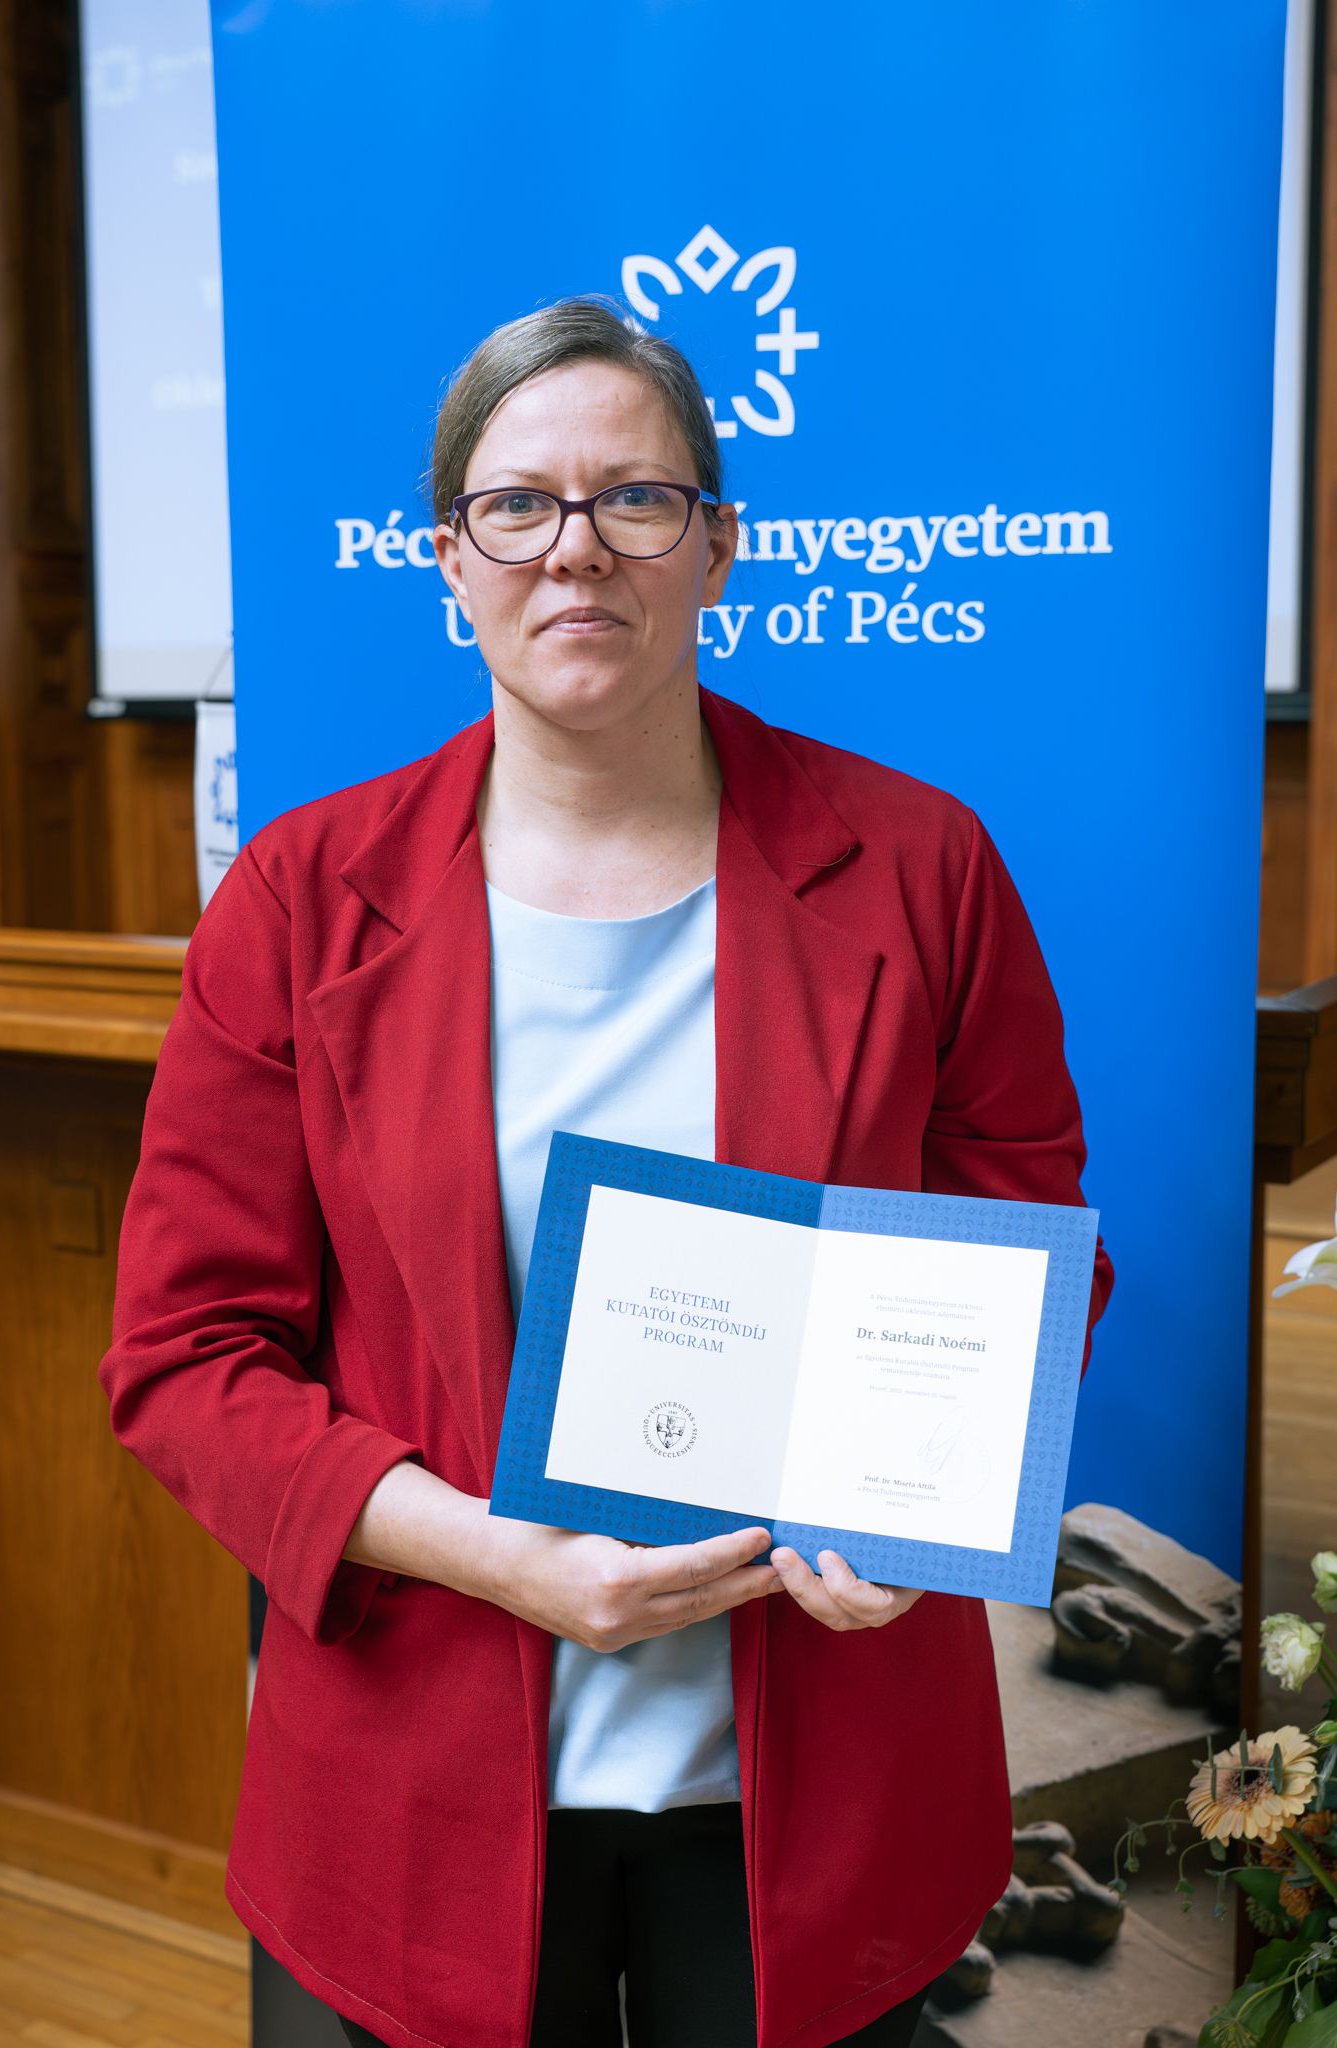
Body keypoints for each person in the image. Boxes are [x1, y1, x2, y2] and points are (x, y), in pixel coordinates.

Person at [99, 293, 1113, 2048]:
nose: (575, 549)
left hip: (820, 1755)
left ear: (718, 545)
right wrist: (493, 1556)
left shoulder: (919, 867)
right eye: (518, 506)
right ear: (448, 560)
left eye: (635, 499)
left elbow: (1025, 1249)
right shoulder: (298, 902)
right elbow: (185, 1360)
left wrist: (909, 1506)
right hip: (420, 1761)